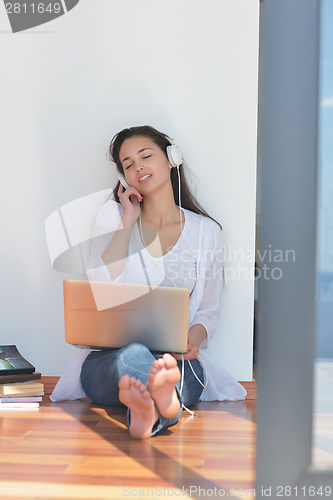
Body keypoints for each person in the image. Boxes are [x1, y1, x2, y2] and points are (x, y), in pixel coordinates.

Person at [50, 125, 247, 438]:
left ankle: (148, 414)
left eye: (145, 156)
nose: (137, 166)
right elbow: (101, 287)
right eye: (128, 164)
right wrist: (127, 222)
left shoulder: (206, 232)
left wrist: (193, 340)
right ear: (123, 179)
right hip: (109, 361)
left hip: (174, 360)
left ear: (171, 159)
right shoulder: (112, 219)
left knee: (181, 371)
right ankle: (165, 405)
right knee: (134, 357)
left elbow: (207, 313)